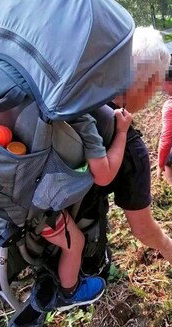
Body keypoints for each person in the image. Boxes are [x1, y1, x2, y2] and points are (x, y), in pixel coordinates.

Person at [79, 26, 172, 269]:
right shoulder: (130, 147)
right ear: (149, 84)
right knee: (96, 274)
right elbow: (142, 229)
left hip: (35, 220)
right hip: (81, 231)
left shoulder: (78, 97)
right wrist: (167, 244)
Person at [39, 104, 133, 311]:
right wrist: (122, 131)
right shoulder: (75, 110)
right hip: (36, 209)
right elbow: (104, 175)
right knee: (75, 244)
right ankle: (70, 292)